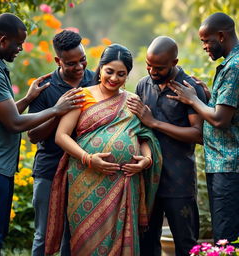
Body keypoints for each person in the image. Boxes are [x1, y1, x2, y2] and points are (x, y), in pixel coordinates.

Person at [45, 44, 162, 256]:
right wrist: (88, 158)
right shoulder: (81, 96)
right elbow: (61, 136)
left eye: (121, 74)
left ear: (127, 76)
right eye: (109, 71)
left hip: (124, 181)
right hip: (86, 178)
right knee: (86, 241)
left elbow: (144, 136)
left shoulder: (132, 101)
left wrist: (146, 159)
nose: (114, 78)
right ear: (100, 68)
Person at [0, 13, 84, 256]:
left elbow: (1, 115)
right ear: (3, 40)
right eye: (18, 44)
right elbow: (15, 124)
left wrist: (28, 99)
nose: (20, 49)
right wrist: (57, 109)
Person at [127, 36, 207, 256]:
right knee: (147, 242)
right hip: (148, 178)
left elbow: (198, 135)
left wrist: (155, 123)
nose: (152, 71)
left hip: (178, 179)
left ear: (175, 62)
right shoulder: (143, 85)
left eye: (159, 68)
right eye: (149, 65)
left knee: (186, 243)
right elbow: (135, 126)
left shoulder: (188, 88)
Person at [168, 12, 239, 244]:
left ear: (220, 36)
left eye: (206, 40)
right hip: (224, 164)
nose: (204, 47)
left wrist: (192, 100)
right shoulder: (231, 64)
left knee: (225, 238)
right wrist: (208, 98)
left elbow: (220, 119)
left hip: (228, 165)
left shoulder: (234, 67)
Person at [27, 29, 95, 256]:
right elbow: (33, 135)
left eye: (82, 59)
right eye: (71, 63)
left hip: (82, 170)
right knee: (44, 235)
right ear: (58, 61)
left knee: (73, 235)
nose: (79, 67)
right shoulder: (45, 87)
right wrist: (58, 111)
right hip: (49, 170)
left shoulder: (94, 80)